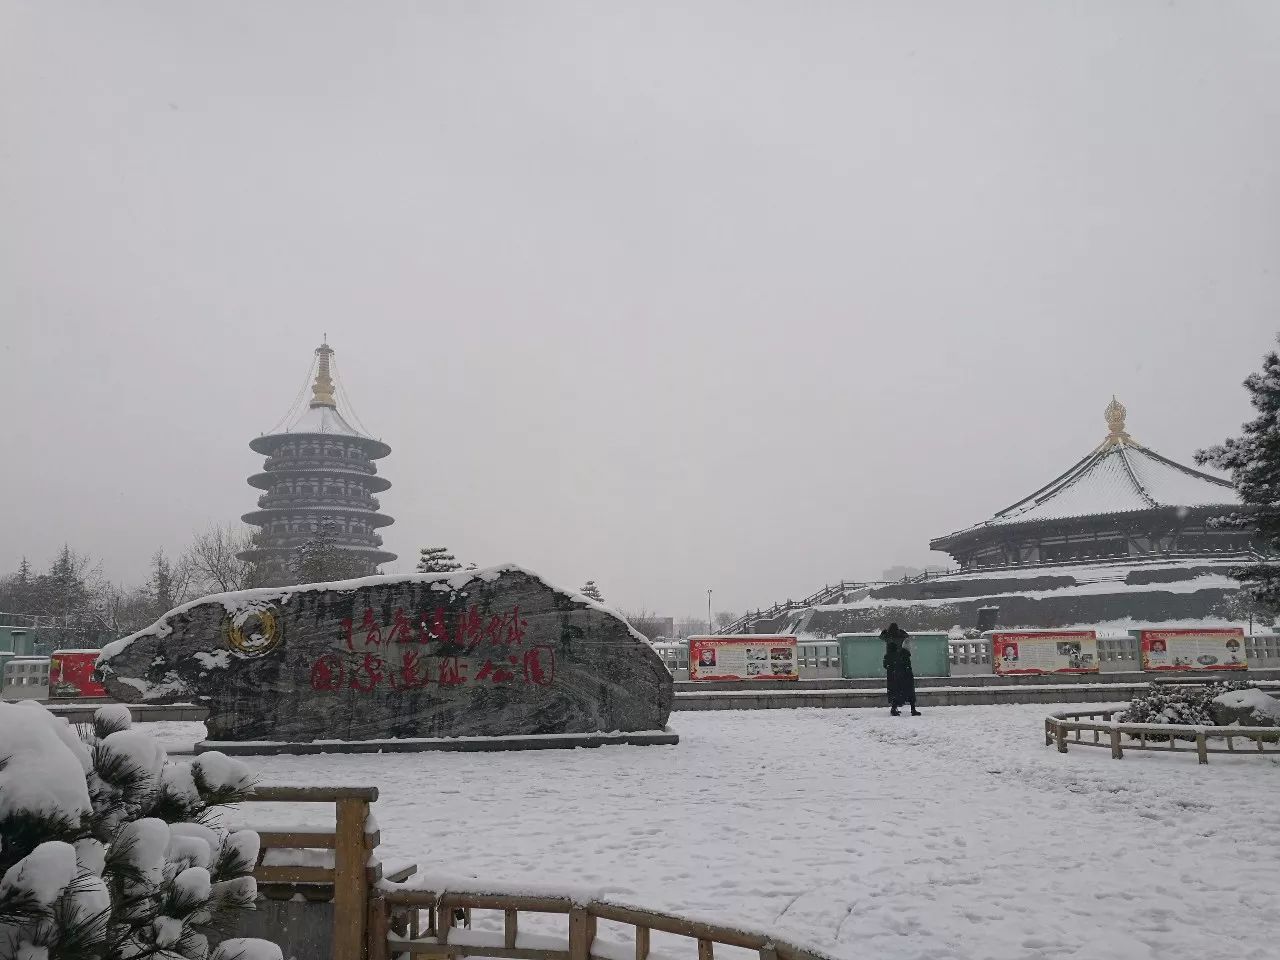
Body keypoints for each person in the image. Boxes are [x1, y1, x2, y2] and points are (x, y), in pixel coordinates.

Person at [881, 622, 920, 716]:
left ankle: (894, 708)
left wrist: (885, 631)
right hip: (904, 668)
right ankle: (912, 708)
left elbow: (882, 636)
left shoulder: (888, 640)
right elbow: (906, 636)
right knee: (909, 688)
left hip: (893, 668)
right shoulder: (902, 639)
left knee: (894, 689)